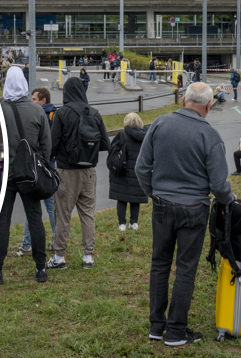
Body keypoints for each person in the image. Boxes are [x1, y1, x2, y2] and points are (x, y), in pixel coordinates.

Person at [136, 82, 235, 346]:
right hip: (193, 209)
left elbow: (141, 167)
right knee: (186, 269)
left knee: (159, 264)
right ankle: (177, 331)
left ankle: (156, 327)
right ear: (208, 105)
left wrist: (153, 192)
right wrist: (229, 199)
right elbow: (218, 184)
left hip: (162, 204)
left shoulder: (159, 124)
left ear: (183, 101)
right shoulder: (209, 135)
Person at [0, 67, 51, 285]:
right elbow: (47, 146)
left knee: (2, 222)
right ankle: (40, 268)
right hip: (29, 175)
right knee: (35, 219)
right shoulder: (37, 111)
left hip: (6, 173)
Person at [47, 77, 109, 269]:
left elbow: (53, 144)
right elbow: (106, 143)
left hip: (66, 171)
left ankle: (59, 257)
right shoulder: (94, 113)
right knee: (88, 214)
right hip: (89, 171)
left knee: (63, 215)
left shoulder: (62, 113)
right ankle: (88, 256)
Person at [15, 88, 58, 256]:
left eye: (34, 99)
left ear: (43, 101)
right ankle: (53, 240)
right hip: (46, 165)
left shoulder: (44, 116)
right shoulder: (53, 115)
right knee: (43, 206)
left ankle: (29, 243)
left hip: (40, 166)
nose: (31, 101)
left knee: (39, 206)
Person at [109, 113, 148, 231]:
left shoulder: (121, 136)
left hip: (123, 172)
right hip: (137, 172)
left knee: (122, 198)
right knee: (135, 198)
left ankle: (122, 224)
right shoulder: (145, 137)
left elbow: (112, 152)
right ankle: (134, 223)